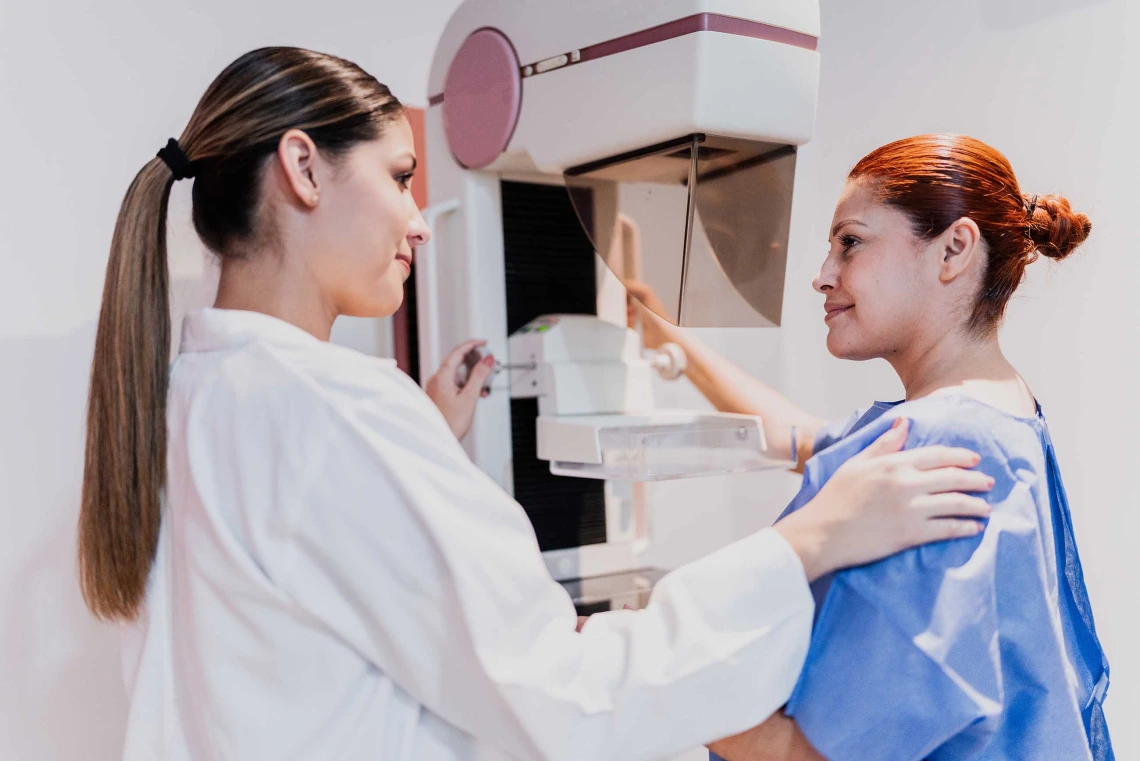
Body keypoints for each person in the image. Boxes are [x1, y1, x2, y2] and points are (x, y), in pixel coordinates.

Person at [78, 49, 994, 761]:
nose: (417, 217)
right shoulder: (336, 410)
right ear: (304, 168)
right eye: (401, 177)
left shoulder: (179, 394)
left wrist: (428, 440)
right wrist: (806, 542)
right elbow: (560, 693)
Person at [629, 135, 1112, 760]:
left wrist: (635, 675)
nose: (822, 274)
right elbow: (802, 439)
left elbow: (820, 755)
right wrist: (662, 335)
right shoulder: (997, 410)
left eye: (849, 242)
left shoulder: (945, 441)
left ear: (954, 250)